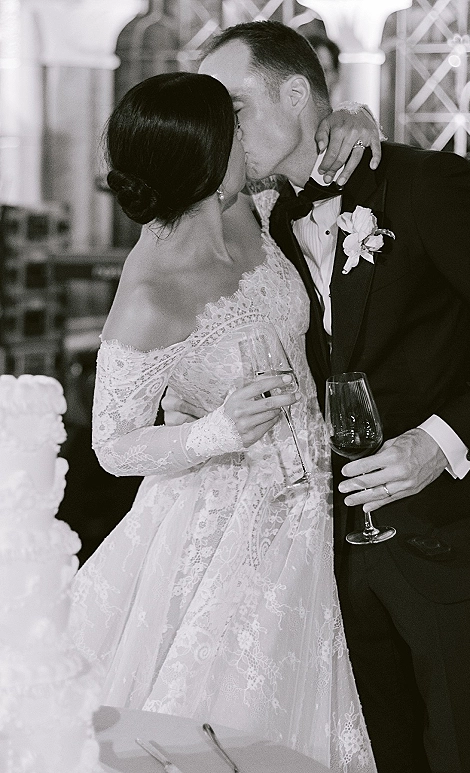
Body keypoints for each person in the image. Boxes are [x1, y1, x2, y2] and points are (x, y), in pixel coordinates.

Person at [163, 20, 470, 773]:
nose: (223, 131)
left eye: (234, 108)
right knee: (376, 756)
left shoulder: (424, 185)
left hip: (455, 537)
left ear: (296, 93)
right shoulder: (261, 221)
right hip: (332, 551)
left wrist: (438, 442)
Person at [70, 70, 383, 772]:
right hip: (231, 523)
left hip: (321, 494)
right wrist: (217, 429)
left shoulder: (248, 206)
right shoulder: (152, 293)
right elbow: (111, 444)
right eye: (234, 127)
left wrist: (354, 118)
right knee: (236, 726)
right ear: (210, 160)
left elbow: (314, 166)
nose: (248, 136)